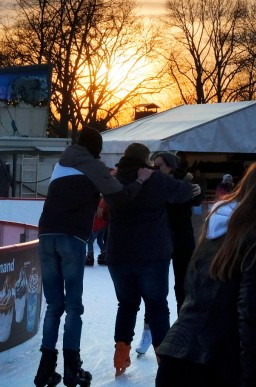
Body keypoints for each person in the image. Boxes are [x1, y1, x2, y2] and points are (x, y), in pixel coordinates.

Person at [155, 160, 256, 387]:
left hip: (178, 358)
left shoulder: (220, 229)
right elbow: (252, 318)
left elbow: (214, 300)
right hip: (213, 368)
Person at [34, 127, 148, 387]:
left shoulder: (62, 161)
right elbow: (119, 197)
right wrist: (140, 181)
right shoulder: (92, 165)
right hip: (71, 237)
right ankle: (73, 369)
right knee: (73, 307)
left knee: (53, 306)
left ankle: (45, 371)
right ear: (95, 149)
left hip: (46, 235)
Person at [105, 142, 203, 376]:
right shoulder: (154, 180)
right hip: (152, 254)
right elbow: (182, 192)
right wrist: (191, 185)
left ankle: (121, 355)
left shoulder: (114, 180)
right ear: (145, 160)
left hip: (119, 255)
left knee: (126, 305)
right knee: (158, 306)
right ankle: (164, 359)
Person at [152, 151, 199, 310]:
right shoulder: (155, 183)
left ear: (171, 166)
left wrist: (198, 189)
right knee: (156, 286)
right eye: (154, 166)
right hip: (161, 237)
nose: (156, 169)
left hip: (181, 238)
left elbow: (197, 197)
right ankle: (150, 326)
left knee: (183, 284)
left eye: (160, 166)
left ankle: (183, 322)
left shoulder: (185, 182)